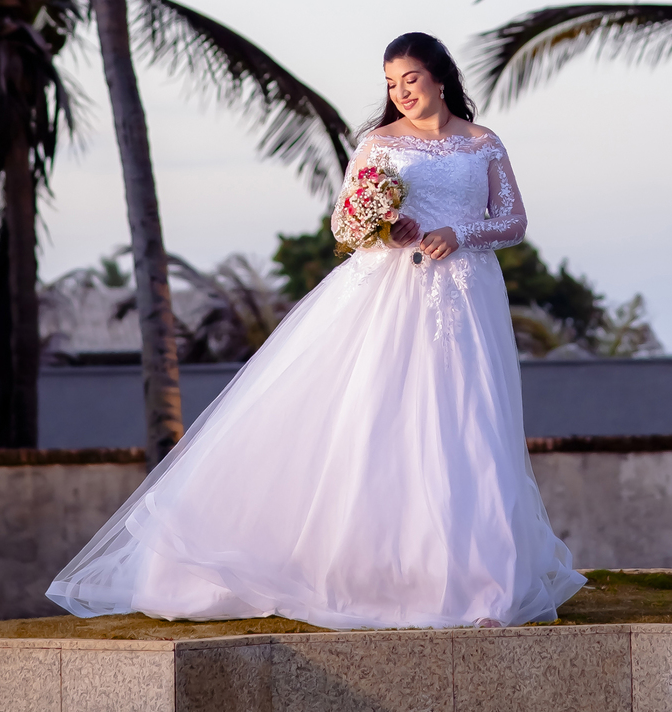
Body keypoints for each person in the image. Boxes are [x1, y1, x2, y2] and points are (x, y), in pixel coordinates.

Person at [46, 31, 585, 629]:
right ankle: (368, 569)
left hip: (465, 295)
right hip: (389, 294)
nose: (400, 92)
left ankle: (475, 579)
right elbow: (345, 223)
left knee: (467, 420)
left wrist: (461, 234)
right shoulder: (379, 143)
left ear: (440, 78)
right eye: (390, 83)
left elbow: (512, 220)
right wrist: (390, 228)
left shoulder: (483, 142)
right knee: (374, 416)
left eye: (410, 79)